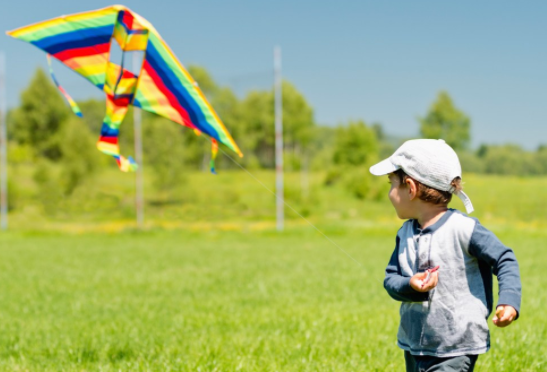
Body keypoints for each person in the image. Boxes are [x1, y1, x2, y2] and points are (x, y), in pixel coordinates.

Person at [369, 139, 521, 372]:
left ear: (410, 188)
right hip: (414, 344)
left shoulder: (463, 229)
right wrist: (410, 284)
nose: (389, 193)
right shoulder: (405, 233)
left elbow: (504, 259)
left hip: (457, 346)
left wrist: (509, 300)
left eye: (391, 183)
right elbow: (390, 280)